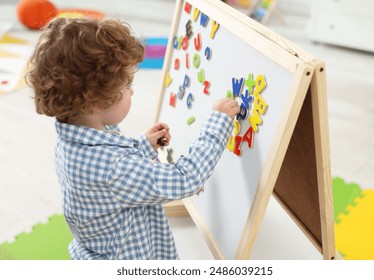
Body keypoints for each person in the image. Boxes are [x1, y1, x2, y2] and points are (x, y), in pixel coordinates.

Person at [27, 17, 239, 260]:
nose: (132, 90)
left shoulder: (72, 137)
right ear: (97, 100)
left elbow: (113, 171)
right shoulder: (113, 169)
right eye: (127, 85)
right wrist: (218, 123)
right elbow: (185, 178)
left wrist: (143, 145)